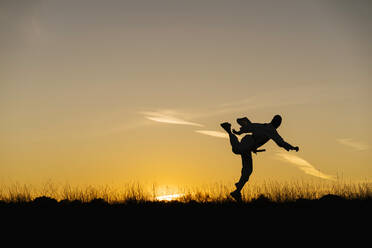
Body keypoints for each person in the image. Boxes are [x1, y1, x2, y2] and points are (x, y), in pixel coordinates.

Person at [220, 115, 299, 201]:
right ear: (277, 123)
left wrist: (240, 132)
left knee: (248, 169)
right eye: (279, 123)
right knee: (237, 150)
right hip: (248, 143)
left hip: (249, 144)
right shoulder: (271, 130)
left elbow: (252, 127)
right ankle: (228, 130)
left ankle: (237, 191)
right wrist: (292, 147)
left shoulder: (265, 126)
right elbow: (281, 142)